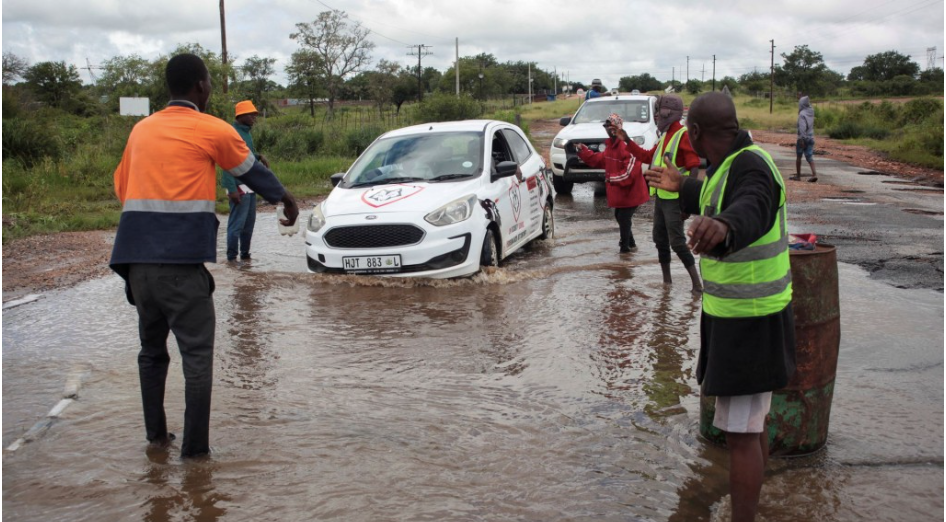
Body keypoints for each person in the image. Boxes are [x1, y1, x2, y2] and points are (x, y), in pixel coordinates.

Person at [110, 53, 299, 459]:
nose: (211, 87)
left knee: (151, 352)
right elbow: (252, 171)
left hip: (135, 265)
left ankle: (156, 439)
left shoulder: (141, 130)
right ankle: (195, 456)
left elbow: (122, 188)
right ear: (199, 86)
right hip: (180, 264)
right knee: (196, 356)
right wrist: (287, 200)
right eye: (210, 81)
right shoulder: (210, 128)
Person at [643, 92, 796, 522]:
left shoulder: (753, 166)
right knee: (752, 426)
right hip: (737, 318)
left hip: (752, 321)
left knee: (742, 435)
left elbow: (751, 206)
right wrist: (683, 187)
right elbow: (718, 195)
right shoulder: (728, 163)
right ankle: (759, 500)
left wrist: (726, 225)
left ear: (693, 133)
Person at [623, 94, 703, 293]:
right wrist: (626, 140)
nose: (657, 115)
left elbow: (694, 167)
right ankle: (667, 283)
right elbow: (647, 156)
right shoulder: (665, 136)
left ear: (670, 113)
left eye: (660, 111)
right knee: (660, 239)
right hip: (662, 198)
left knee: (677, 242)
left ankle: (696, 285)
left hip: (675, 200)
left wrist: (687, 202)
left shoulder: (681, 135)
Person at [576, 113, 649, 253]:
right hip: (622, 194)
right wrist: (583, 151)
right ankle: (631, 245)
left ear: (618, 128)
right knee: (620, 216)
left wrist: (611, 178)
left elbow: (629, 173)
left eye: (611, 127)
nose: (608, 129)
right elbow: (598, 160)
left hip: (633, 193)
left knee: (623, 217)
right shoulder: (610, 147)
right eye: (606, 127)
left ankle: (625, 248)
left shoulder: (628, 147)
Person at [221, 100, 270, 261]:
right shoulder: (231, 133)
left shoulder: (246, 133)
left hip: (250, 184)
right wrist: (231, 189)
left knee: (248, 225)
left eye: (255, 115)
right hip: (238, 186)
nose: (253, 118)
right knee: (237, 225)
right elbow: (226, 162)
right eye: (250, 115)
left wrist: (258, 156)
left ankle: (245, 255)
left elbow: (246, 155)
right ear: (240, 116)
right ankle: (231, 258)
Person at [792, 95, 818, 182]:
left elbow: (802, 127)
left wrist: (801, 139)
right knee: (809, 156)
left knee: (799, 156)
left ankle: (798, 176)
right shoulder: (811, 112)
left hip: (803, 138)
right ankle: (814, 174)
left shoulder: (802, 114)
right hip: (811, 137)